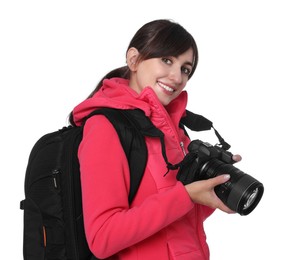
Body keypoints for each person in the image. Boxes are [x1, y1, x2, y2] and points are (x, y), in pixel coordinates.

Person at [70, 19, 240, 260]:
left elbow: (178, 221)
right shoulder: (105, 127)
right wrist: (186, 195)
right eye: (167, 60)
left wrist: (216, 189)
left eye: (185, 69)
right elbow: (102, 237)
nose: (177, 76)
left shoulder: (175, 131)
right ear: (134, 59)